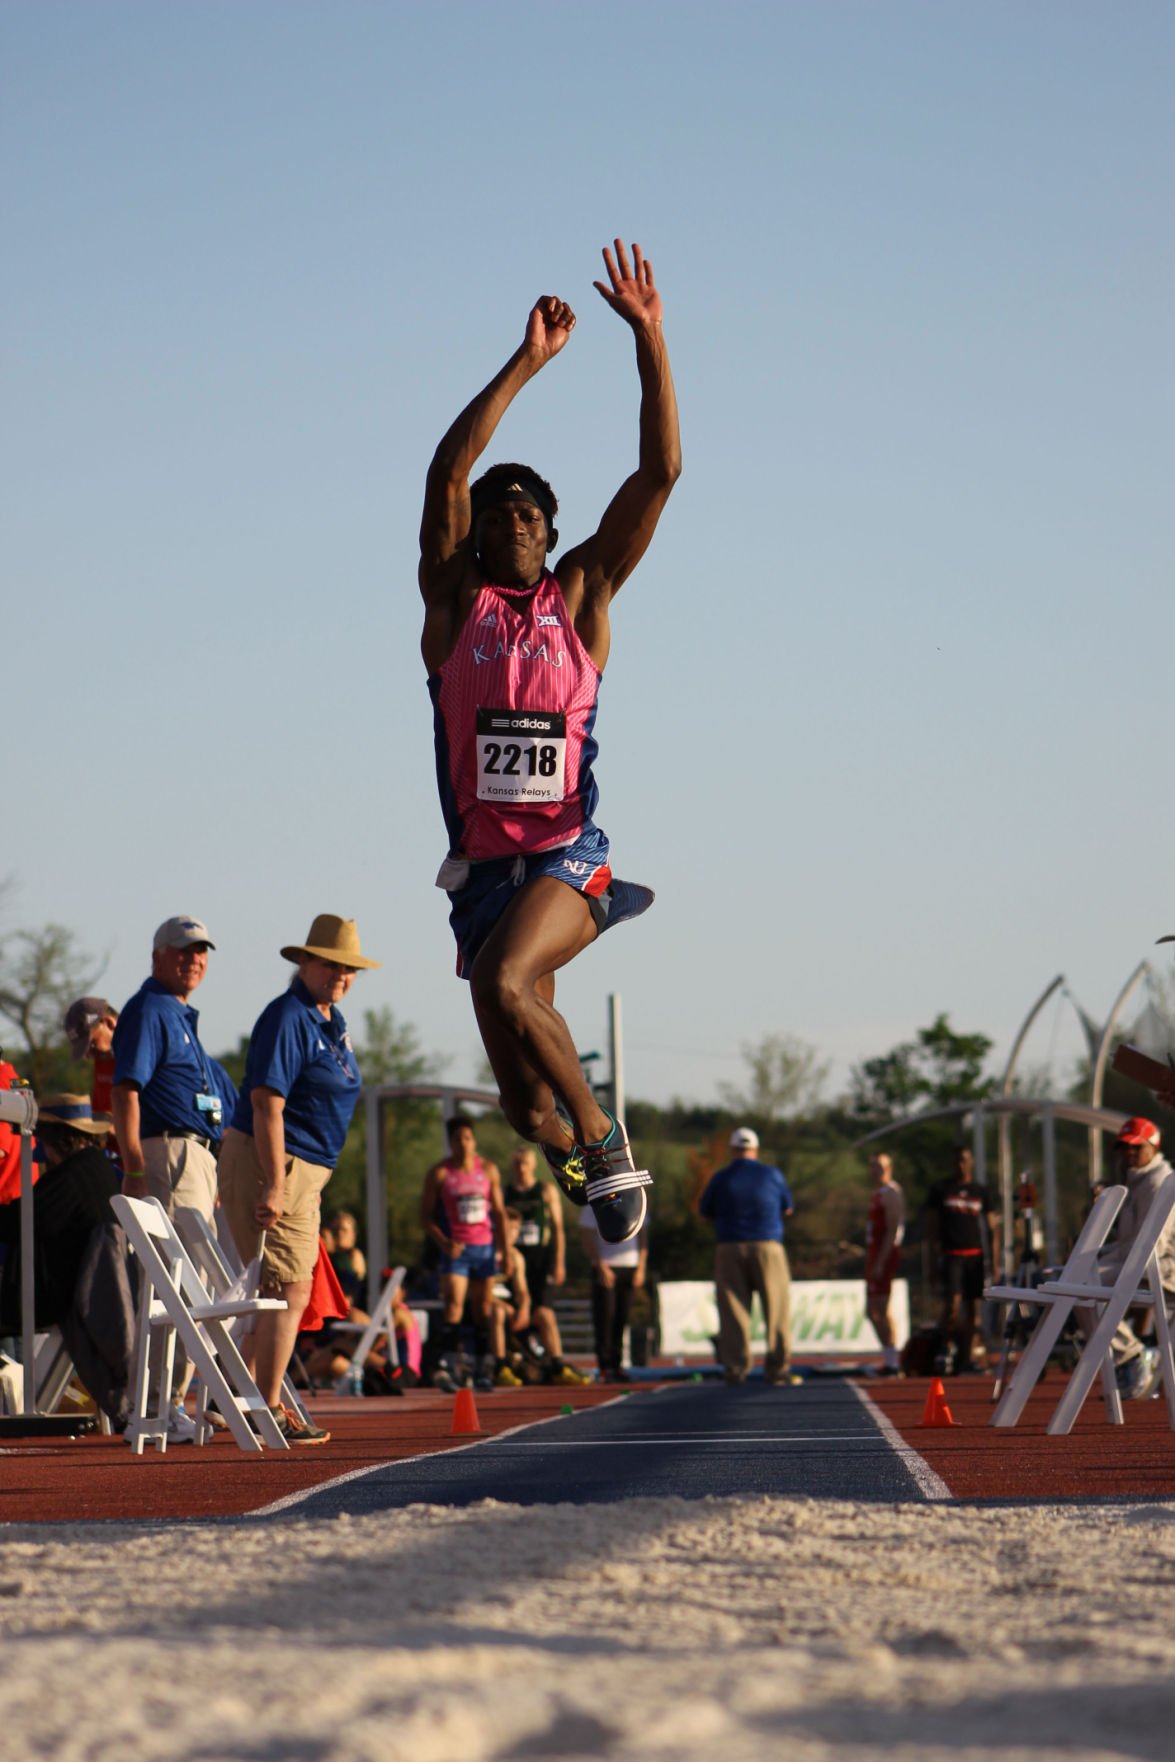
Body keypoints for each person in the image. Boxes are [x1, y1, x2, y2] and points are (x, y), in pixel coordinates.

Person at [418, 238, 681, 1249]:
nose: (514, 523)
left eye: (530, 513)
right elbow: (449, 469)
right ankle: (574, 1143)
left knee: (504, 983)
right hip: (484, 874)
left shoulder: (581, 594)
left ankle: (605, 1137)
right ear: (477, 536)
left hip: (566, 855)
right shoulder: (455, 609)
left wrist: (648, 338)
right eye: (498, 515)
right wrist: (525, 362)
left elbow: (660, 471)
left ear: (551, 530)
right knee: (527, 1114)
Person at [217, 914, 378, 1444]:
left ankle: (234, 1396)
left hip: (300, 1168)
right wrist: (276, 1183)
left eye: (349, 968)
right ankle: (264, 1407)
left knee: (283, 1286)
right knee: (289, 1286)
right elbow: (268, 1102)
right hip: (276, 1162)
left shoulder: (328, 1019)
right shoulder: (289, 1016)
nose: (341, 975)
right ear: (305, 962)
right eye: (331, 964)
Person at [111, 915, 224, 1441]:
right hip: (169, 1154)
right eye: (182, 950)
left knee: (188, 1285)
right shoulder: (151, 1008)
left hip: (190, 1154)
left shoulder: (175, 1012)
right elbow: (125, 1090)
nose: (193, 959)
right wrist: (134, 1165)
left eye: (200, 951)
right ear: (157, 955)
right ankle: (158, 1405)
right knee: (177, 1285)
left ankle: (165, 1402)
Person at [0, 1095, 133, 1428]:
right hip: (93, 1291)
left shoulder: (71, 1177)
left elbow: (21, 1221)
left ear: (52, 1139)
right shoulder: (97, 1167)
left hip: (66, 1293)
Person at [1077, 1117, 1175, 1398]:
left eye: (1136, 1146)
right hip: (1143, 1263)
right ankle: (1130, 1359)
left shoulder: (1158, 1183)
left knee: (1080, 1287)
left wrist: (1095, 1265)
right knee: (1073, 1280)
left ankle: (1131, 1357)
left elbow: (1153, 1247)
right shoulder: (1138, 1179)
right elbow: (1128, 1244)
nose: (1129, 1152)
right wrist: (1089, 1257)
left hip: (1165, 1269)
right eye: (1124, 1146)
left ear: (1154, 1147)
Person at [698, 1127, 801, 1387]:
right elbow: (787, 1208)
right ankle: (778, 1368)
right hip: (768, 1246)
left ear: (733, 1150)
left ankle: (736, 1368)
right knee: (777, 1308)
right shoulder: (772, 1174)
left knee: (734, 1311)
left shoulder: (721, 1177)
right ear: (755, 1149)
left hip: (729, 1246)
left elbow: (705, 1212)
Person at [420, 1115, 510, 1392]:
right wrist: (444, 1242)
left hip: (484, 1248)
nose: (463, 1144)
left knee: (482, 1310)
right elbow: (425, 1216)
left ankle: (482, 1369)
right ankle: (450, 1368)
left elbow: (500, 1212)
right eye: (457, 1139)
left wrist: (505, 1251)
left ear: (474, 1141)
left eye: (468, 1138)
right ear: (451, 1143)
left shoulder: (488, 1170)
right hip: (456, 1250)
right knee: (453, 1306)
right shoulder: (440, 1173)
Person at [502, 1143, 588, 1385]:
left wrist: (559, 1262)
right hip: (514, 1259)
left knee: (544, 1312)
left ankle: (557, 1363)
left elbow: (558, 1229)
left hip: (541, 1259)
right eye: (517, 1164)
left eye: (525, 1164)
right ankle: (516, 1360)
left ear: (533, 1166)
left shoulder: (545, 1190)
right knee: (518, 1311)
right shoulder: (505, 1193)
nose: (521, 1168)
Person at [924, 1146, 1000, 1376]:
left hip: (975, 1257)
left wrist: (994, 1263)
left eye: (965, 1160)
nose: (961, 1165)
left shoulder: (980, 1191)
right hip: (952, 1256)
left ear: (971, 1162)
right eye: (957, 1160)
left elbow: (992, 1230)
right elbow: (932, 1231)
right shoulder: (941, 1190)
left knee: (973, 1311)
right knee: (953, 1306)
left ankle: (968, 1358)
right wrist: (931, 1265)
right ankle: (945, 1348)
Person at [581, 1204, 647, 1382]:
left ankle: (617, 1365)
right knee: (605, 1317)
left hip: (630, 1267)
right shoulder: (594, 1202)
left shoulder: (636, 1198)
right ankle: (604, 1367)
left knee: (622, 1318)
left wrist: (641, 1267)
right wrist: (600, 1266)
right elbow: (587, 1235)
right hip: (605, 1268)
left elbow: (642, 1235)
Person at [864, 1152, 905, 1376]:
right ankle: (890, 1358)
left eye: (879, 1166)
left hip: (884, 1255)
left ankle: (892, 1361)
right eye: (872, 1166)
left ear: (889, 1168)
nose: (875, 1170)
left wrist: (881, 1261)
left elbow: (892, 1229)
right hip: (874, 1253)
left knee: (878, 1307)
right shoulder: (877, 1193)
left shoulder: (891, 1193)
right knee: (873, 1309)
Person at [64, 996, 120, 1123]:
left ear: (109, 1023)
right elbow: (102, 1112)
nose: (89, 1055)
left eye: (92, 1044)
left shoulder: (138, 1052)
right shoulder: (104, 1056)